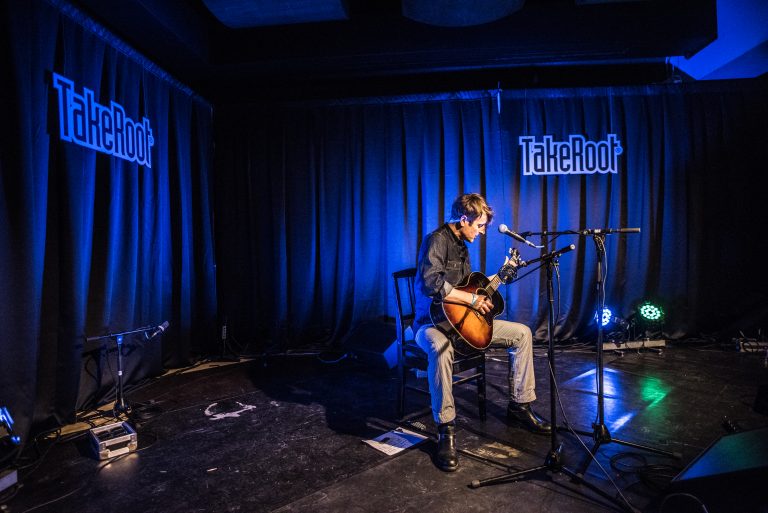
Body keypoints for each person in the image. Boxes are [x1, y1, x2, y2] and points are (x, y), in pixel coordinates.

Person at [413, 193, 551, 472]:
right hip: (431, 325)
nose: (483, 231)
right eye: (480, 225)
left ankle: (520, 406)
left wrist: (501, 274)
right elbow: (430, 284)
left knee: (522, 333)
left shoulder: (463, 245)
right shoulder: (436, 239)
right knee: (441, 349)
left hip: (463, 323)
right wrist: (472, 301)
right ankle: (446, 428)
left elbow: (469, 289)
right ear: (463, 220)